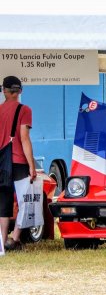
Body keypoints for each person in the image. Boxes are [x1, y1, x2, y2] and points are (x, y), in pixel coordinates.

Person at [0, 76, 35, 250]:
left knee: (4, 201)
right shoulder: (24, 110)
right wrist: (32, 165)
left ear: (4, 91)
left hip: (1, 163)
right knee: (25, 201)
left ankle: (2, 241)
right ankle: (14, 239)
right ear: (20, 91)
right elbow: (24, 138)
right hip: (19, 161)